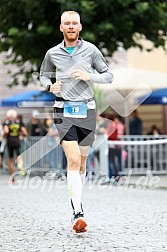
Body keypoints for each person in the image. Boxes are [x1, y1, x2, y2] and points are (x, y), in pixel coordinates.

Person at [40, 11, 113, 233]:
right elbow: (43, 75)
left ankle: (77, 200)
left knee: (81, 164)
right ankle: (78, 212)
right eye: (66, 23)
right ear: (61, 27)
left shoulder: (90, 50)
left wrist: (90, 76)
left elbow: (108, 75)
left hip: (87, 109)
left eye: (74, 23)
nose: (71, 26)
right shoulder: (52, 53)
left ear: (80, 27)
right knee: (72, 160)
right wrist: (49, 86)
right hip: (63, 109)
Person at [3, 109, 28, 182]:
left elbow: (6, 131)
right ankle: (20, 166)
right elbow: (25, 132)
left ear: (8, 116)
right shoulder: (19, 122)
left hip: (10, 141)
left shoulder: (6, 123)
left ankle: (12, 178)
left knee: (10, 160)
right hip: (17, 141)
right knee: (19, 156)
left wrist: (4, 136)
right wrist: (21, 135)